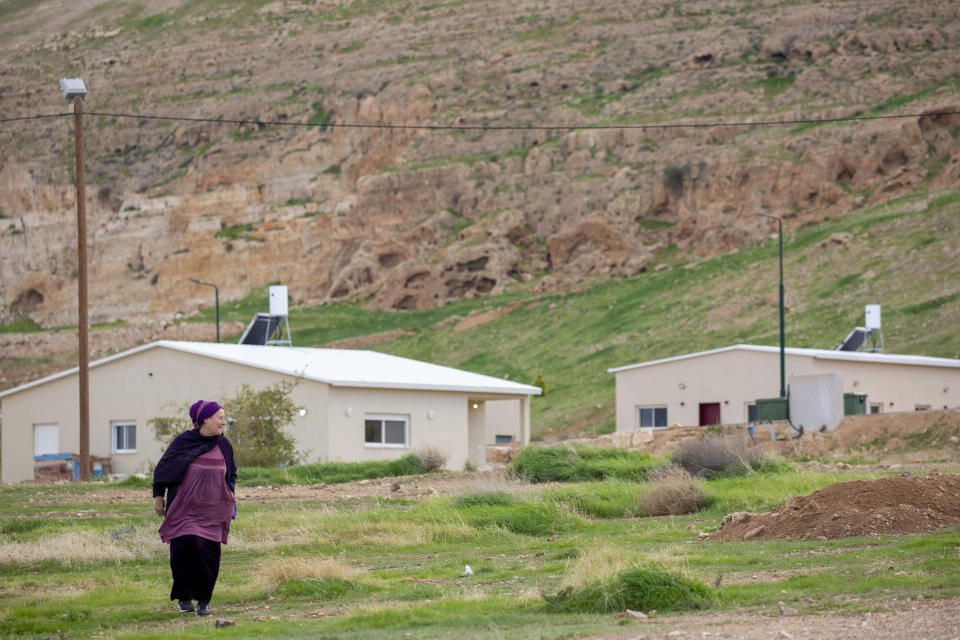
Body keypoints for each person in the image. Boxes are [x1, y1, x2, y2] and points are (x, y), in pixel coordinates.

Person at [153, 400, 237, 616]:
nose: (223, 421)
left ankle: (203, 601)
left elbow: (232, 474)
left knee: (209, 553)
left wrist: (231, 495)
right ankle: (184, 596)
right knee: (185, 547)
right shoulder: (183, 442)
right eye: (219, 417)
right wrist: (158, 496)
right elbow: (163, 469)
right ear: (205, 419)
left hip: (213, 509)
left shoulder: (224, 445)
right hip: (184, 508)